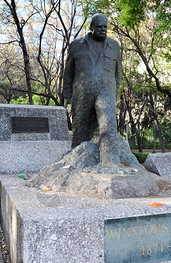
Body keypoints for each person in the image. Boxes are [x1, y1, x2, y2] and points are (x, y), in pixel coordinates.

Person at [63, 13, 122, 167]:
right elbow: (68, 72)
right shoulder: (76, 45)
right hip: (82, 92)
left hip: (106, 91)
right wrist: (68, 95)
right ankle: (77, 162)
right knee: (80, 129)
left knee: (108, 125)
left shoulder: (114, 46)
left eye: (105, 27)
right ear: (91, 27)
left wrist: (114, 94)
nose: (103, 29)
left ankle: (111, 163)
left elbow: (118, 74)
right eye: (99, 27)